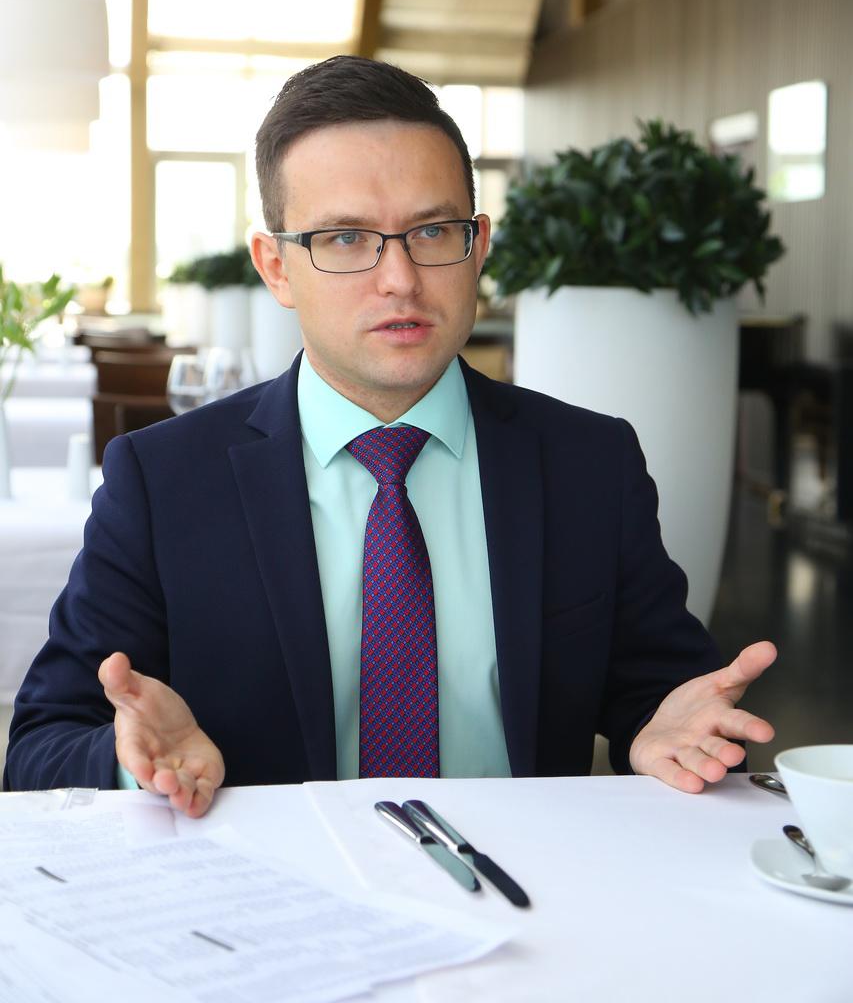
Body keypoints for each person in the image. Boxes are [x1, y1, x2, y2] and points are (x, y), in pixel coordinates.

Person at [4, 56, 777, 817]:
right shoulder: (164, 480)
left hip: (523, 881)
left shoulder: (586, 463)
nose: (400, 279)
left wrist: (671, 729)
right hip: (271, 885)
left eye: (432, 231)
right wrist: (130, 762)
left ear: (478, 244)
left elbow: (660, 695)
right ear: (276, 266)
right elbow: (41, 745)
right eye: (345, 238)